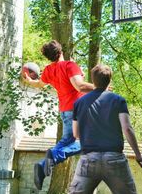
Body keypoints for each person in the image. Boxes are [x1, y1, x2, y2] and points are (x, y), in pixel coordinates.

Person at [22, 40, 94, 190]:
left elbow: (39, 84)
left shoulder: (49, 70)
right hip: (78, 109)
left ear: (49, 57)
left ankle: (42, 166)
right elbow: (79, 85)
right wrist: (100, 88)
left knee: (67, 141)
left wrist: (29, 81)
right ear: (60, 52)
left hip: (65, 111)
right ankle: (52, 157)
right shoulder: (69, 65)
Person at [70, 64, 142, 194]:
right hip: (114, 159)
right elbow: (127, 129)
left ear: (92, 80)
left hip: (88, 160)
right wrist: (138, 155)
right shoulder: (118, 100)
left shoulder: (79, 103)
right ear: (109, 80)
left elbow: (76, 134)